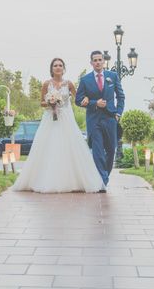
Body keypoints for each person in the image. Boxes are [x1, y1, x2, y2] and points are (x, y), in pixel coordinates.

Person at [13, 58, 103, 193]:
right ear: (51, 68)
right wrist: (50, 102)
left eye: (60, 65)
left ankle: (74, 180)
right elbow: (41, 103)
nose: (58, 67)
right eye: (55, 65)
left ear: (64, 68)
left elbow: (78, 98)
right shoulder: (46, 84)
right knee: (49, 146)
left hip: (67, 118)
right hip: (50, 119)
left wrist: (86, 99)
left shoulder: (69, 84)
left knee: (69, 146)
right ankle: (44, 180)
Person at [75, 51, 125, 192]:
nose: (97, 62)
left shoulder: (113, 76)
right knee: (97, 150)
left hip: (110, 119)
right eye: (95, 60)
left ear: (104, 62)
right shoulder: (85, 80)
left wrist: (118, 114)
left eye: (100, 60)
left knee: (111, 149)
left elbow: (121, 96)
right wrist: (94, 103)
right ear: (91, 63)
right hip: (94, 120)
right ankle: (102, 180)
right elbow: (78, 100)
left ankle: (105, 177)